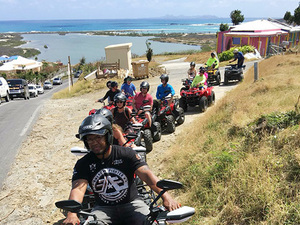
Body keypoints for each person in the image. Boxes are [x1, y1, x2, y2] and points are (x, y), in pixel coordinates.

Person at [62, 114, 180, 225]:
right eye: (90, 139)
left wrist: (167, 197)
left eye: (98, 137)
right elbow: (78, 189)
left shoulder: (126, 154)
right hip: (103, 209)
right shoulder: (83, 163)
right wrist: (72, 213)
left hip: (132, 204)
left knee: (151, 221)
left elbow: (147, 175)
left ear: (108, 136)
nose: (94, 142)